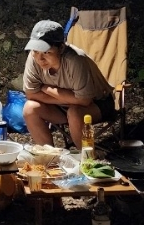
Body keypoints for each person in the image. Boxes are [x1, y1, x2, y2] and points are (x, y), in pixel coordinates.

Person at [22, 19, 114, 147]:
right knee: (30, 108)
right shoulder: (34, 58)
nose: (40, 58)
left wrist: (46, 89)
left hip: (97, 103)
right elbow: (31, 95)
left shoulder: (75, 60)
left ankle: (85, 158)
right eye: (36, 51)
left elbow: (84, 101)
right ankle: (48, 156)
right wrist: (67, 99)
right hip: (63, 107)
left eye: (47, 52)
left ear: (61, 48)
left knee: (75, 112)